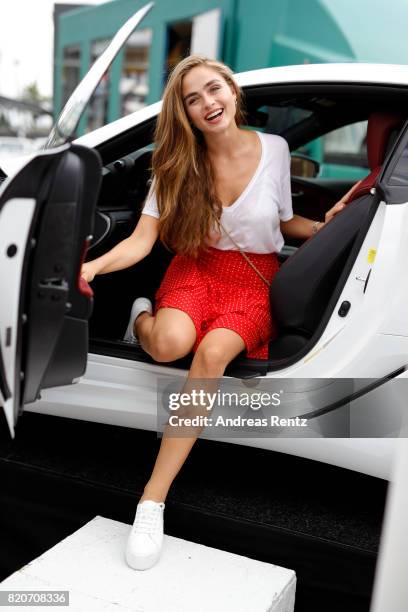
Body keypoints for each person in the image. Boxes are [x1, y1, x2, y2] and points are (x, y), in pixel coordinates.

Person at [80, 55, 360, 571]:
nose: (207, 103)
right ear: (184, 112)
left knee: (210, 354)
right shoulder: (174, 164)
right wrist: (93, 267)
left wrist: (326, 229)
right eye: (192, 98)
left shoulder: (274, 149)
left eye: (214, 90)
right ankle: (141, 316)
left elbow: (281, 220)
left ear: (232, 91)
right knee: (167, 344)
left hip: (252, 281)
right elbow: (142, 242)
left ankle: (150, 501)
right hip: (195, 269)